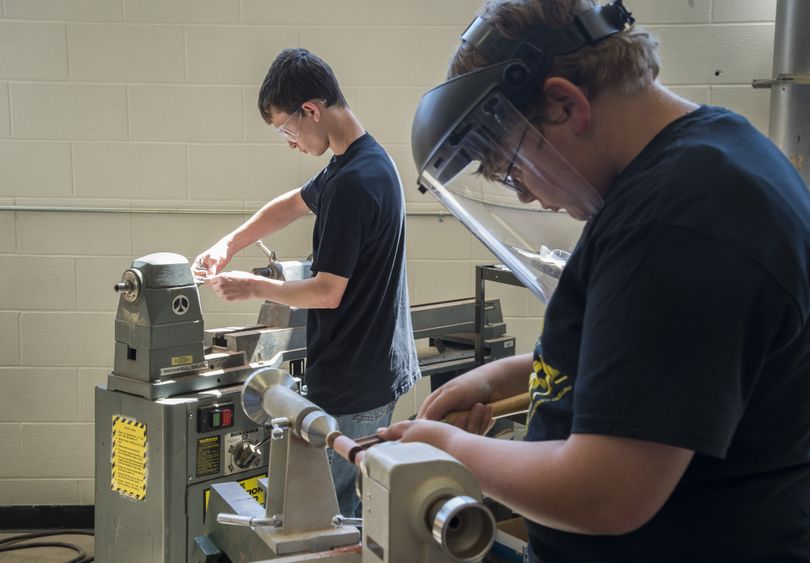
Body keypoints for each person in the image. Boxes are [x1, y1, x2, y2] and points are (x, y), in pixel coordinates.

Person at [381, 0, 810, 560]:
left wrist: (449, 450)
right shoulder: (702, 162)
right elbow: (647, 367)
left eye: (514, 169)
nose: (529, 194)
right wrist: (494, 380)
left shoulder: (678, 219)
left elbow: (605, 492)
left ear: (565, 103)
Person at [194, 48, 420, 517]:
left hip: (357, 383)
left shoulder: (356, 183)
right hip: (363, 370)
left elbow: (326, 291)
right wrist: (229, 243)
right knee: (343, 509)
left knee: (333, 516)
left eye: (287, 128)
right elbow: (294, 203)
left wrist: (252, 287)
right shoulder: (356, 162)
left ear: (312, 110)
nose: (290, 142)